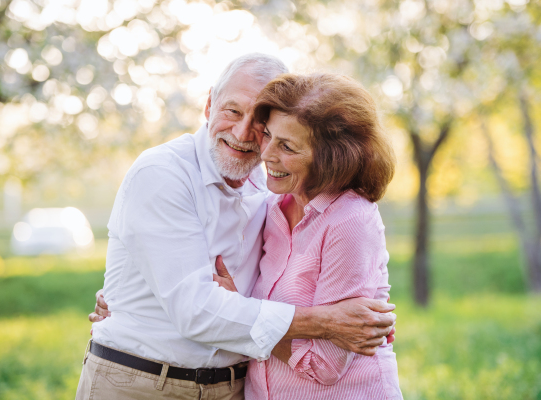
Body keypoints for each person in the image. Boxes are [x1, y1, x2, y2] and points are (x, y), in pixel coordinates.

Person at [78, 53, 396, 400]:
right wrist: (328, 322)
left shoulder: (272, 189)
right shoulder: (163, 174)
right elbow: (195, 310)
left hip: (232, 388)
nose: (245, 134)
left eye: (260, 123)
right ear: (209, 104)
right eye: (232, 111)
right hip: (143, 383)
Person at [213, 73, 403, 399]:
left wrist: (240, 313)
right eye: (269, 136)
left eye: (287, 146)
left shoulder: (349, 221)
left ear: (331, 159)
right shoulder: (271, 206)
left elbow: (324, 366)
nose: (267, 154)